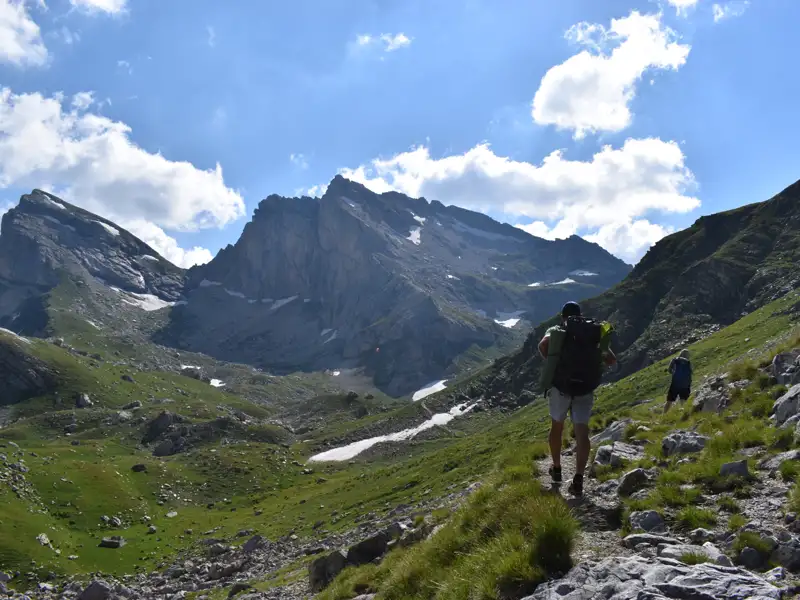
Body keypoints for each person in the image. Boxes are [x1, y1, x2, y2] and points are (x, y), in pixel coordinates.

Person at [538, 301, 616, 497]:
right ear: (580, 315)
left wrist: (554, 362)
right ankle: (579, 478)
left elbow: (543, 345)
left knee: (557, 426)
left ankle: (556, 469)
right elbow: (611, 359)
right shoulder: (592, 331)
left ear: (563, 316)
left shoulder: (557, 328)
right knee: (582, 432)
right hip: (585, 388)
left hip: (561, 387)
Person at [664, 349, 693, 413]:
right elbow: (691, 372)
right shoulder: (688, 362)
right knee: (683, 400)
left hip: (675, 383)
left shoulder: (675, 360)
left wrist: (674, 374)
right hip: (685, 385)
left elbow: (669, 370)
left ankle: (664, 414)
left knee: (669, 400)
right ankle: (682, 414)